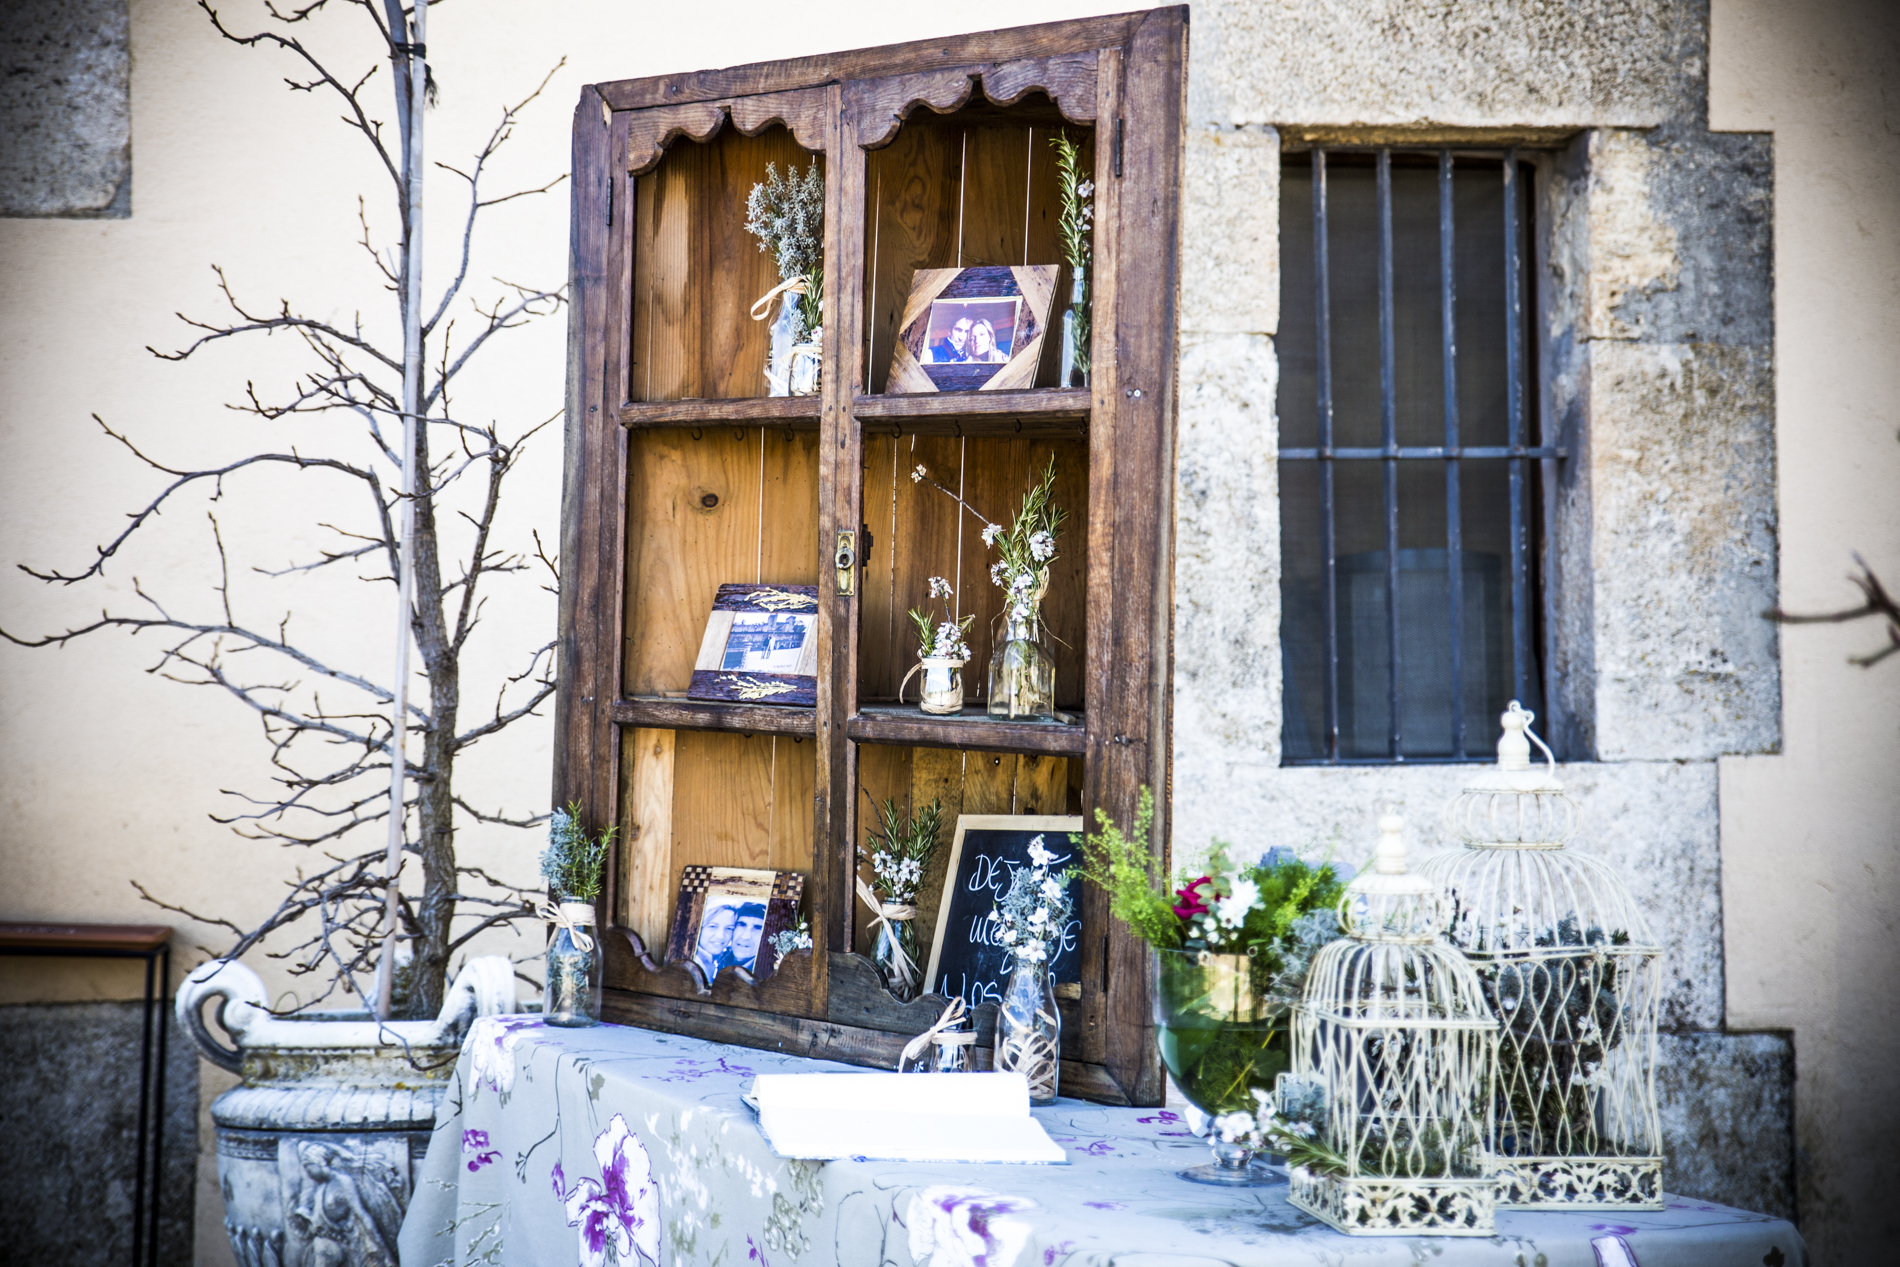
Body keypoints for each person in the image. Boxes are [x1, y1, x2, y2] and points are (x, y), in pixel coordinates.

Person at [717, 902, 768, 974]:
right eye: (742, 924)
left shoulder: (765, 972)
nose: (745, 936)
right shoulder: (718, 959)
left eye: (758, 928)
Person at [692, 904, 737, 982]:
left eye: (729, 928)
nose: (721, 936)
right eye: (712, 926)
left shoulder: (715, 960)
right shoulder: (694, 962)